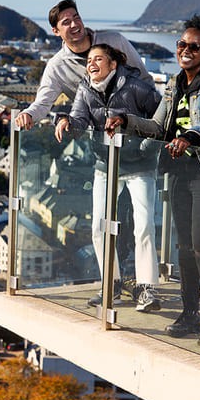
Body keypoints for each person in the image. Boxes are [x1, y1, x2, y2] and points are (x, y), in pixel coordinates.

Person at [107, 15, 200, 347]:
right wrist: (125, 121)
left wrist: (191, 136)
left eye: (195, 46)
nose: (186, 50)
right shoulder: (175, 83)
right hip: (181, 172)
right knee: (184, 247)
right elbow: (158, 126)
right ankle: (190, 313)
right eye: (182, 44)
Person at [55, 44, 162, 311]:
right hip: (107, 163)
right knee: (99, 227)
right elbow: (80, 120)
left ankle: (147, 288)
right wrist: (65, 120)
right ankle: (111, 285)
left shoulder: (137, 87)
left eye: (98, 59)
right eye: (89, 60)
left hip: (140, 164)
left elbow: (162, 121)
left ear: (113, 64)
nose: (91, 64)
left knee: (144, 226)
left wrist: (145, 147)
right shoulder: (85, 88)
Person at [14, 0, 151, 131]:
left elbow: (145, 79)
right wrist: (28, 114)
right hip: (99, 140)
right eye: (66, 22)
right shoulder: (57, 66)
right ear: (56, 31)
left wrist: (151, 127)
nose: (74, 24)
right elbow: (43, 103)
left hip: (136, 132)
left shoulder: (115, 41)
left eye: (76, 17)